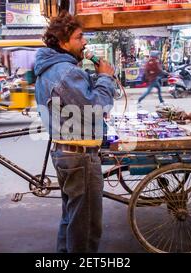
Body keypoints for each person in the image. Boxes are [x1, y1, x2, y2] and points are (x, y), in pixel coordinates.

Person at [34, 11, 116, 253]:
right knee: (87, 225)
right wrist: (104, 78)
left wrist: (96, 78)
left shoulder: (52, 69)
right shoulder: (66, 72)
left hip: (65, 152)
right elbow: (98, 106)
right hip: (79, 156)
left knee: (72, 219)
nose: (85, 42)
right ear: (63, 42)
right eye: (80, 38)